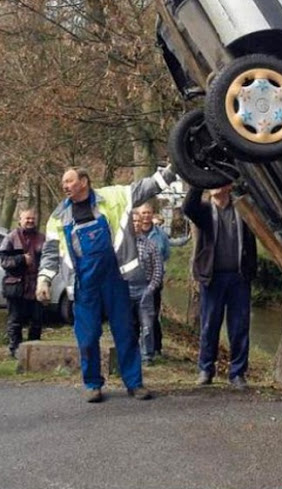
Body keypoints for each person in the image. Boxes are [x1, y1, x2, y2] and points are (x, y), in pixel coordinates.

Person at [36, 166, 176, 403]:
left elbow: (146, 187)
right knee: (88, 337)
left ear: (84, 181)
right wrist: (44, 279)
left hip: (116, 280)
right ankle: (93, 384)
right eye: (63, 183)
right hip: (84, 285)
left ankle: (134, 383)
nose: (65, 186)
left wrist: (174, 169)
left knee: (125, 333)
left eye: (69, 181)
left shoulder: (113, 196)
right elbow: (50, 252)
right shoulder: (58, 217)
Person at [183, 184, 257, 389]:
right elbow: (188, 207)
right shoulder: (204, 210)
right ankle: (206, 369)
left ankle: (237, 374)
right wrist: (197, 181)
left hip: (239, 278)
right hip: (212, 278)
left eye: (219, 182)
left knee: (239, 327)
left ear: (228, 185)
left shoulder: (242, 208)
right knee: (210, 325)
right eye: (212, 183)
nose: (215, 186)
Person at [137, 202, 189, 358]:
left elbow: (165, 254)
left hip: (154, 282)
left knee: (152, 315)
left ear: (152, 215)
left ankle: (155, 348)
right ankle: (136, 348)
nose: (146, 216)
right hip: (134, 283)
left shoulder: (160, 235)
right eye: (143, 213)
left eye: (148, 213)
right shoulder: (132, 234)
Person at [0, 208, 46, 358]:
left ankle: (35, 352)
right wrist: (21, 259)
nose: (30, 221)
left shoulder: (42, 238)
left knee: (37, 321)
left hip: (36, 286)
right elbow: (3, 261)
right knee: (15, 321)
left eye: (32, 218)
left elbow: (49, 259)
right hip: (16, 285)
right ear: (20, 220)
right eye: (27, 218)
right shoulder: (11, 237)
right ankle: (15, 352)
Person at [130, 210, 163, 365]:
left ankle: (147, 356)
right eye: (133, 221)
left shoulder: (151, 245)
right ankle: (129, 354)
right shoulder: (122, 246)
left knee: (148, 325)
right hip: (126, 289)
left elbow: (158, 270)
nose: (136, 224)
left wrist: (151, 288)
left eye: (138, 221)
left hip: (145, 288)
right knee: (128, 325)